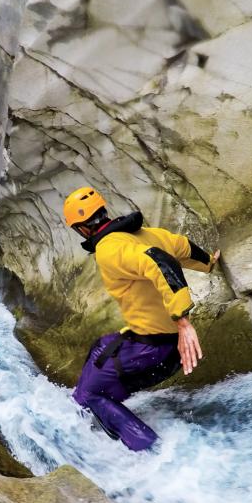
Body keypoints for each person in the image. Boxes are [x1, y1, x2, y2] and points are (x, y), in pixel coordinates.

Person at [64, 186, 220, 452]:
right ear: (103, 213)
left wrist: (183, 321)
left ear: (82, 229)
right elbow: (181, 247)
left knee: (86, 393)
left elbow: (159, 261)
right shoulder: (145, 234)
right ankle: (105, 420)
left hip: (153, 349)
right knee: (100, 348)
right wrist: (208, 263)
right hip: (161, 347)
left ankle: (148, 450)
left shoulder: (108, 249)